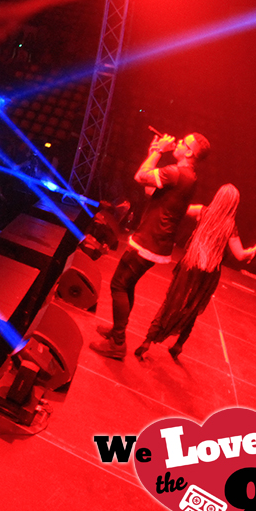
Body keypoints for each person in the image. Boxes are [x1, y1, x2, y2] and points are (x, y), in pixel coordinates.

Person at [91, 132, 210, 360]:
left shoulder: (176, 172)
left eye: (184, 142)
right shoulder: (188, 175)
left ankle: (118, 343)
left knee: (118, 284)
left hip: (151, 239)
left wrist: (158, 152)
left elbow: (140, 177)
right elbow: (149, 189)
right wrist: (152, 153)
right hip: (157, 240)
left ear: (189, 152)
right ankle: (117, 330)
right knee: (127, 284)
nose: (178, 142)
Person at [133, 185, 256, 360]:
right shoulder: (230, 227)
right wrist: (255, 249)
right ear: (234, 205)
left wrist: (161, 194)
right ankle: (179, 345)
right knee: (193, 308)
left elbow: (179, 208)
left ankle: (148, 341)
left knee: (171, 302)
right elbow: (240, 255)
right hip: (208, 273)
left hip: (190, 265)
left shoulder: (202, 212)